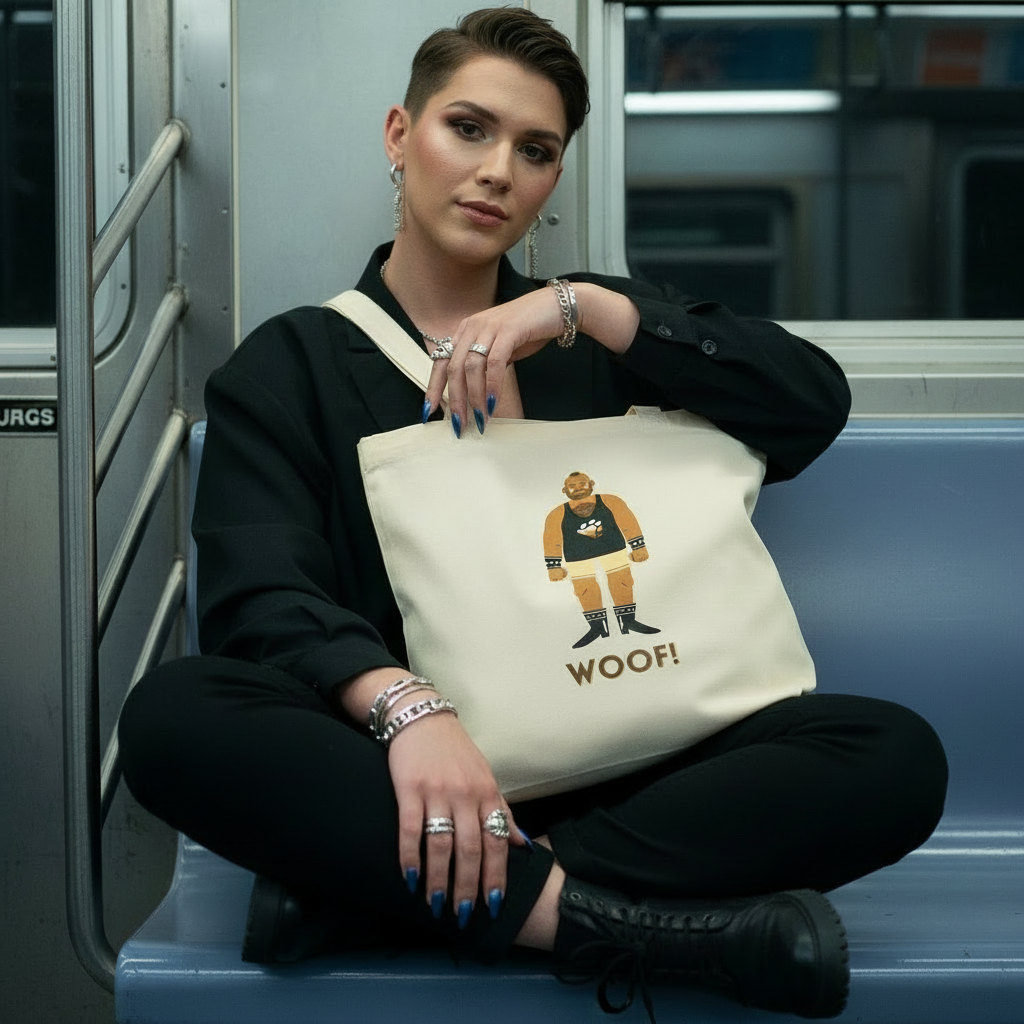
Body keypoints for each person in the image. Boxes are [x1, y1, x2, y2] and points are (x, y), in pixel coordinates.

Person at [118, 8, 948, 1020]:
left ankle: (399, 899)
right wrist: (411, 711)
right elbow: (262, 599)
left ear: (555, 178)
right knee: (173, 717)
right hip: (412, 776)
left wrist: (585, 307)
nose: (497, 169)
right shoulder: (288, 367)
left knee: (891, 756)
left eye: (535, 149)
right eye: (467, 127)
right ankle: (620, 928)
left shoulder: (597, 344)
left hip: (633, 763)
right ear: (398, 135)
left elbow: (809, 405)